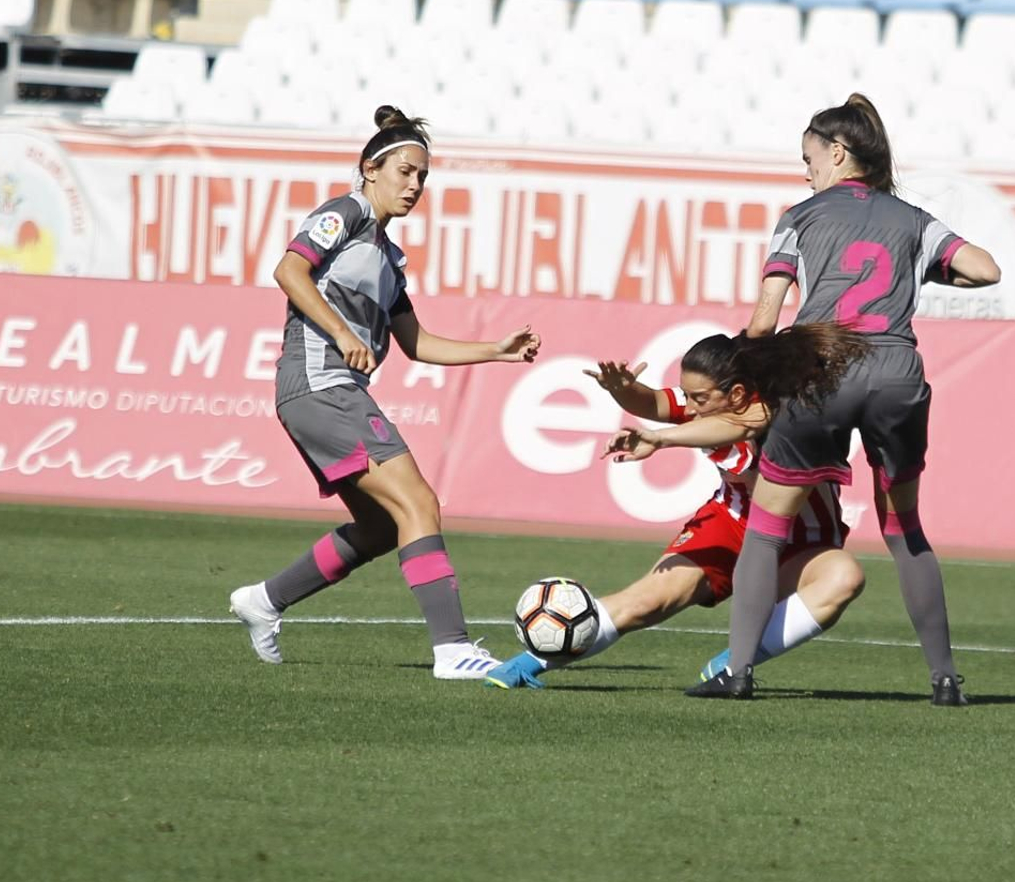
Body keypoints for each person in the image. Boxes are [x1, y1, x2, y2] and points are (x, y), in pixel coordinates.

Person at [687, 93, 1001, 703]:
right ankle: (944, 680)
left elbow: (762, 322)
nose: (804, 171)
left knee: (767, 530)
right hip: (895, 371)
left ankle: (740, 672)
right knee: (903, 527)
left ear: (837, 152)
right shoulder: (914, 220)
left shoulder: (800, 216)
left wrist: (753, 372)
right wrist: (930, 269)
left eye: (808, 158)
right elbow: (986, 271)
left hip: (820, 368)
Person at [229, 106, 541, 678]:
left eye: (422, 176)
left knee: (379, 526)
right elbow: (289, 271)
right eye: (405, 171)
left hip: (323, 391)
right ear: (370, 170)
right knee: (419, 504)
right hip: (322, 383)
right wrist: (343, 332)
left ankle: (264, 601)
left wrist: (495, 350)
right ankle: (452, 650)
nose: (415, 185)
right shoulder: (345, 211)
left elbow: (417, 342)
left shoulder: (390, 260)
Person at [483, 325, 871, 690]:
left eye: (699, 398)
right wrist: (622, 390)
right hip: (731, 526)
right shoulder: (708, 408)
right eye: (688, 396)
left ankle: (736, 661)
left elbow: (740, 435)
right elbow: (653, 402)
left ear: (736, 394)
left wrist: (660, 438)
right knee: (646, 602)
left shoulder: (782, 415)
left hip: (802, 544)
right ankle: (532, 660)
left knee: (844, 576)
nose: (690, 406)